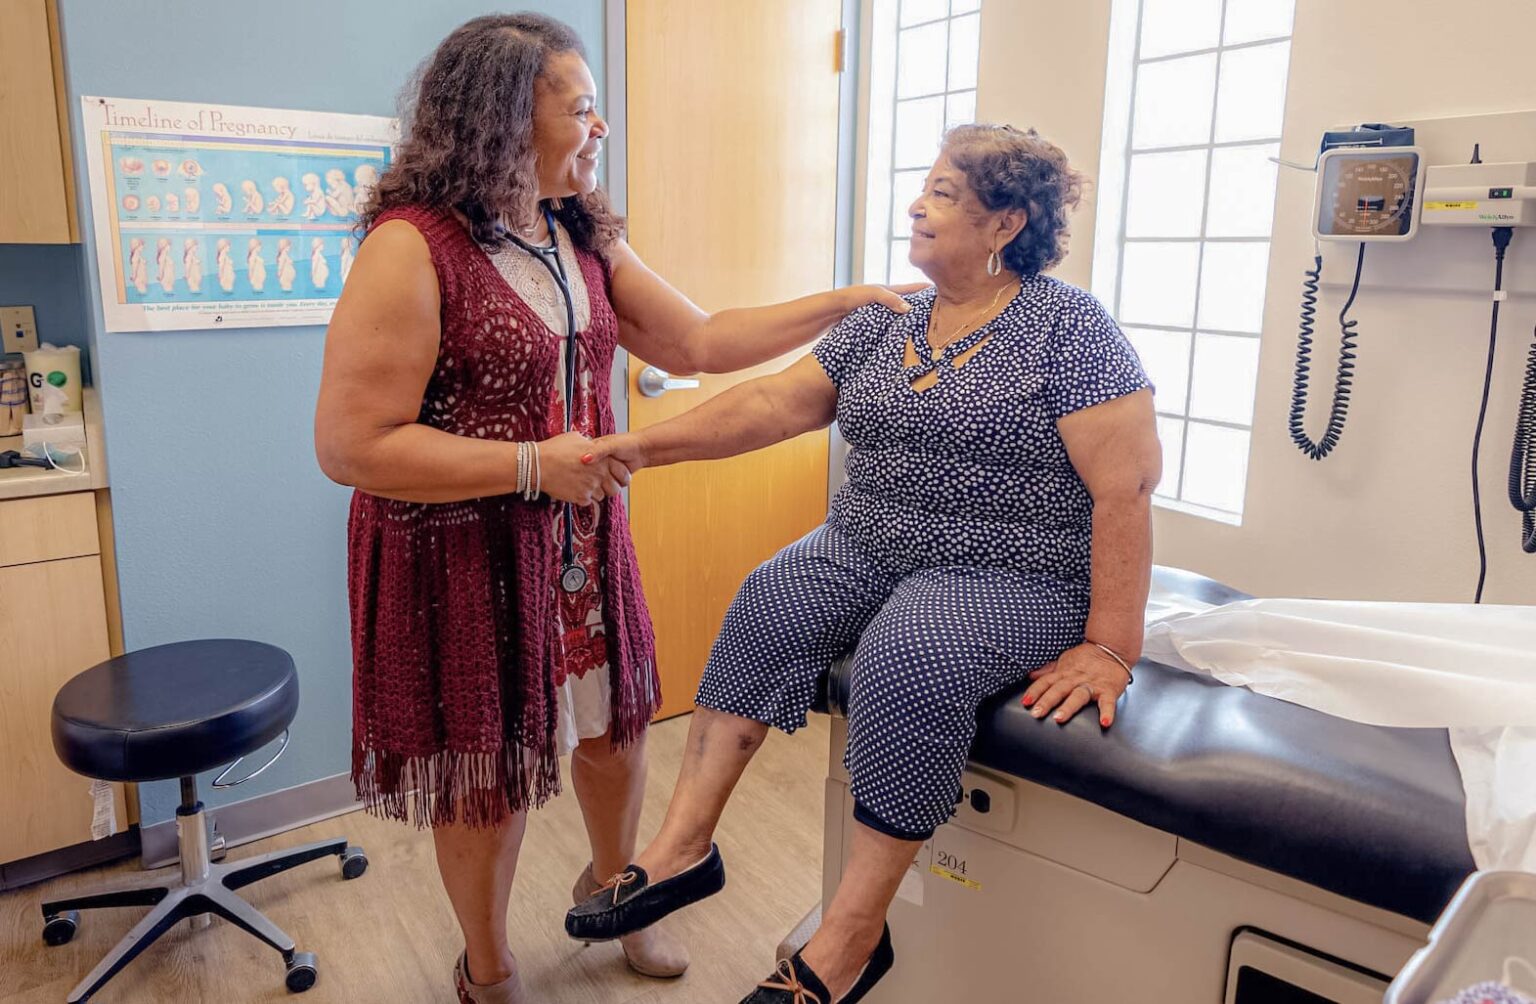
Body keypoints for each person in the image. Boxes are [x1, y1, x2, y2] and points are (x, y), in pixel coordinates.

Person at [311, 14, 913, 1004]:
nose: (598, 130)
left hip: (583, 544)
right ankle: (488, 961)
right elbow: (352, 444)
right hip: (464, 553)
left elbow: (702, 342)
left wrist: (840, 302)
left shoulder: (578, 230)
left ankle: (613, 885)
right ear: (503, 120)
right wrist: (529, 463)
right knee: (490, 769)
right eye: (580, 108)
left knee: (614, 728)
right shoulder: (410, 248)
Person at [567, 124, 1162, 1004]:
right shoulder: (889, 319)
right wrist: (642, 450)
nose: (918, 205)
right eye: (925, 187)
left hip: (1013, 568)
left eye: (945, 194)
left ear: (1006, 224)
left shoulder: (1068, 328)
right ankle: (683, 848)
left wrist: (1111, 643)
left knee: (906, 656)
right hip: (868, 541)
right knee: (769, 596)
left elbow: (1127, 487)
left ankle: (851, 937)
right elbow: (776, 403)